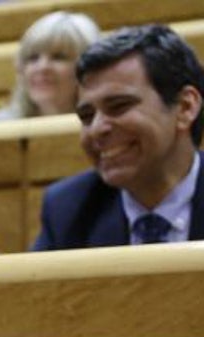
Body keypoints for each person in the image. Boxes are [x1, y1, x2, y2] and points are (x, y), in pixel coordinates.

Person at [33, 24, 204, 250]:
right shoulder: (68, 210)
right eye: (86, 116)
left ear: (185, 107)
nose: (96, 129)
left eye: (119, 106)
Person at [0, 12, 100, 122]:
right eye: (33, 58)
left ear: (86, 68)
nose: (42, 67)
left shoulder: (104, 126)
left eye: (58, 57)